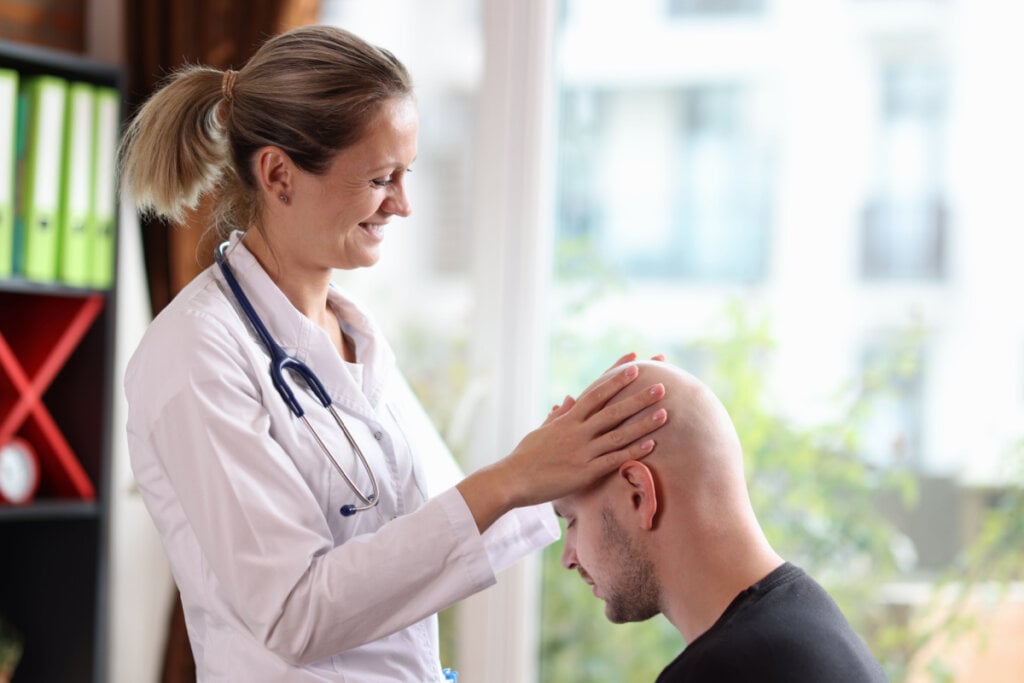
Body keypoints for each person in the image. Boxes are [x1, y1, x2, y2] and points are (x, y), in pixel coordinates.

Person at [118, 25, 668, 682]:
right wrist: (519, 473)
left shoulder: (352, 333)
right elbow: (295, 612)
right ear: (278, 174)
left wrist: (569, 449)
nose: (404, 204)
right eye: (381, 178)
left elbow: (443, 524)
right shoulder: (193, 355)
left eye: (407, 174)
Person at [552, 360, 888, 682]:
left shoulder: (725, 671)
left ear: (638, 495)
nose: (568, 558)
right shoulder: (809, 626)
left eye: (572, 520)